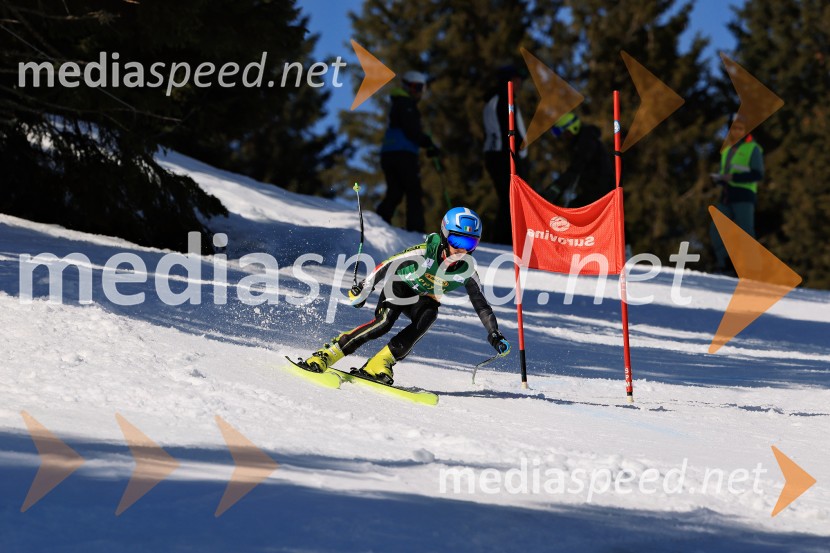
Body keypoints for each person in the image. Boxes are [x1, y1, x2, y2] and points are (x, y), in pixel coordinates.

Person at [299, 207, 511, 385]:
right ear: (445, 236)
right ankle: (329, 353)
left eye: (470, 244)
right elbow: (387, 264)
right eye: (457, 241)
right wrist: (364, 289)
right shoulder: (424, 252)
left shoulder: (468, 271)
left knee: (429, 315)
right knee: (384, 322)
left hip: (422, 298)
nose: (461, 250)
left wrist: (494, 333)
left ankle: (380, 363)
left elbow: (482, 305)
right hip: (399, 286)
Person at [377, 71, 440, 233]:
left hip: (390, 153)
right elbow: (411, 130)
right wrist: (427, 142)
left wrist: (426, 143)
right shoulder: (406, 104)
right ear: (409, 87)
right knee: (413, 190)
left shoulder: (399, 103)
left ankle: (379, 220)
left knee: (395, 191)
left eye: (422, 88)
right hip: (402, 153)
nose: (420, 92)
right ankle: (416, 230)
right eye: (418, 88)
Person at [709, 113, 765, 273]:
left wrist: (733, 177)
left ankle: (752, 268)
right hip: (727, 195)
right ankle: (726, 265)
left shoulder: (753, 148)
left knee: (745, 232)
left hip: (744, 196)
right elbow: (725, 172)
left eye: (741, 128)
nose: (737, 131)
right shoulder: (727, 150)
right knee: (716, 229)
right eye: (734, 128)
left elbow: (757, 174)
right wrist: (719, 179)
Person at [483, 65, 528, 244]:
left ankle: (505, 239)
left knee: (508, 198)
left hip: (497, 153)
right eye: (516, 80)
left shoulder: (495, 99)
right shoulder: (504, 99)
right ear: (507, 81)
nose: (519, 84)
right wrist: (519, 149)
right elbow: (508, 129)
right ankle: (504, 240)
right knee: (511, 198)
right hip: (503, 155)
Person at [545, 112, 614, 207]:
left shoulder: (587, 139)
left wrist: (556, 188)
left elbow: (577, 166)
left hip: (601, 193)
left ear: (573, 128)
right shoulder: (578, 144)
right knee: (569, 209)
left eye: (563, 132)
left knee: (571, 211)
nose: (562, 137)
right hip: (593, 192)